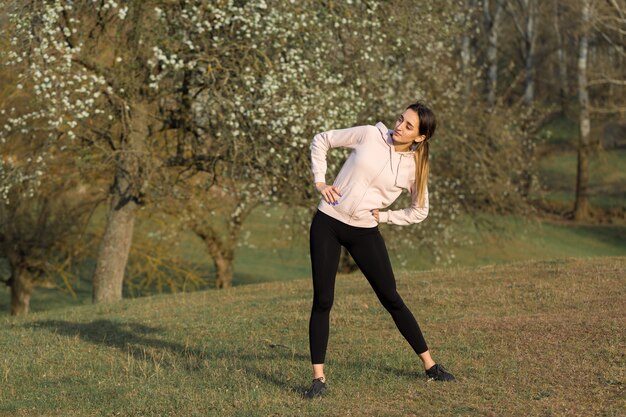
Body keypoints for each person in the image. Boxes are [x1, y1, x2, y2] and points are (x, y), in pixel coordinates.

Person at [304, 101, 455, 399]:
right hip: (328, 223)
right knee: (323, 300)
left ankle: (430, 366)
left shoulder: (414, 168)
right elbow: (321, 139)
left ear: (420, 137)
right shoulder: (369, 135)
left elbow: (419, 210)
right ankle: (318, 379)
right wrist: (320, 182)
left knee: (391, 298)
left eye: (409, 126)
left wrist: (384, 216)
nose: (399, 126)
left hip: (365, 231)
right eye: (401, 119)